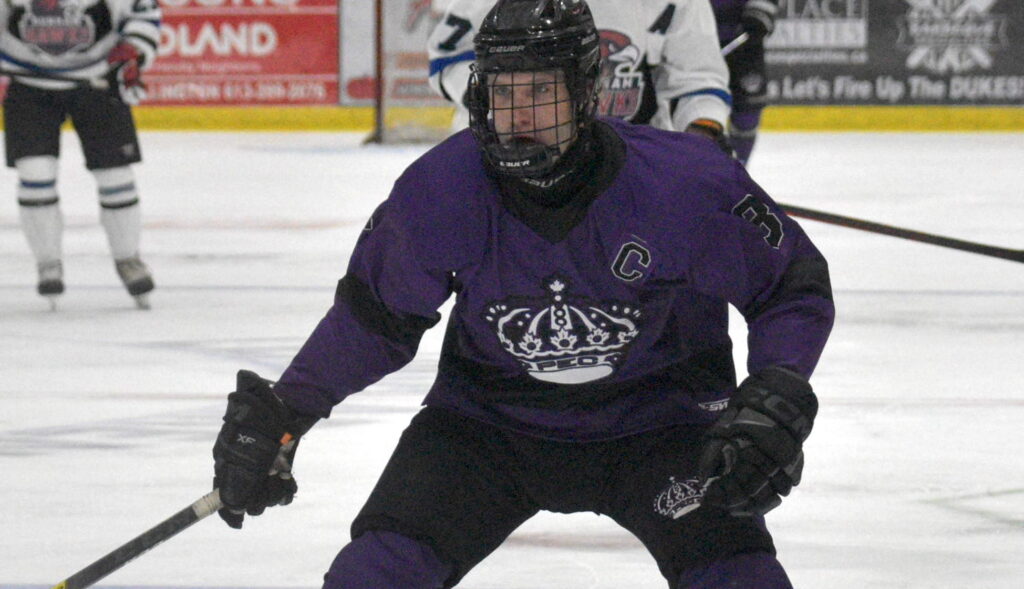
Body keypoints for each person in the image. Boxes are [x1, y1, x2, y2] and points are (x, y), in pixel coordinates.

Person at [211, 0, 835, 587]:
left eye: (540, 92)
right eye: (503, 92)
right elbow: (373, 320)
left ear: (587, 94)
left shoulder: (681, 181)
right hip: (487, 430)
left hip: (664, 428)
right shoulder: (441, 188)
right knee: (373, 575)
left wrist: (775, 386)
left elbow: (790, 285)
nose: (517, 115)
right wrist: (286, 412)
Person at [1, 0, 161, 309]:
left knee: (115, 174)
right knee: (35, 172)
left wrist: (135, 49)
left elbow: (142, 9)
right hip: (26, 82)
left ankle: (128, 258)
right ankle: (48, 262)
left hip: (97, 78)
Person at [427, 0, 733, 147]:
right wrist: (495, 106)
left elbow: (697, 79)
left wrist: (702, 132)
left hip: (628, 165)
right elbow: (448, 57)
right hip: (507, 160)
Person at [711, 0, 780, 165]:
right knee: (693, 104)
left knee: (748, 107)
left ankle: (738, 168)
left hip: (744, 40)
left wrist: (760, 13)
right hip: (693, 38)